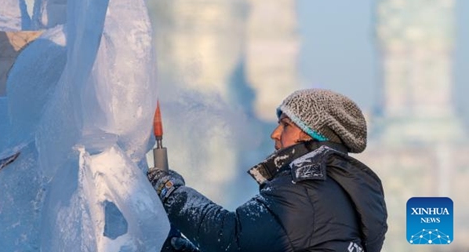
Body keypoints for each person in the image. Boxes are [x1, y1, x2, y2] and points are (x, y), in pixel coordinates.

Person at [148, 88, 388, 252]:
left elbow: (231, 237)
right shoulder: (330, 189)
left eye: (286, 125)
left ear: (310, 134)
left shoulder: (309, 188)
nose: (275, 133)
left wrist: (171, 192)